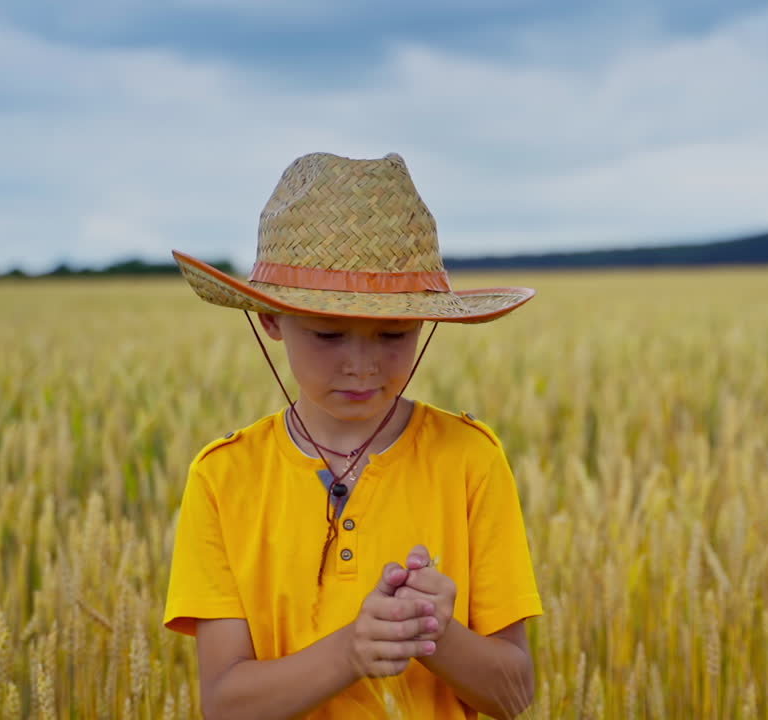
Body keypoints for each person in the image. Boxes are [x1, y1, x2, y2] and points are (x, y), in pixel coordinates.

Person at [163, 152, 543, 720]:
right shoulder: (224, 476)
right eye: (328, 334)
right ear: (270, 320)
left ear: (424, 324)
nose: (362, 366)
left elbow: (513, 694)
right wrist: (352, 650)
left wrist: (435, 632)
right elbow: (224, 705)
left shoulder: (469, 458)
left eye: (393, 333)